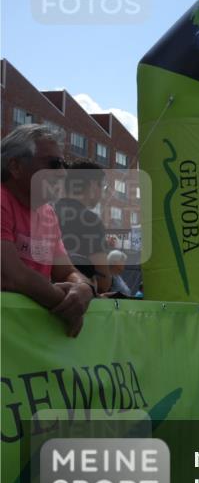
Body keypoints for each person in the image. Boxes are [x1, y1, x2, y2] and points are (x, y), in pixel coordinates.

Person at [1, 124, 95, 336]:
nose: (62, 173)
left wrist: (84, 289)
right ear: (15, 166)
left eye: (64, 164)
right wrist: (69, 305)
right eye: (53, 164)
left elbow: (67, 271)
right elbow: (12, 276)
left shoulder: (48, 214)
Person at [53, 160, 111, 293]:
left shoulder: (46, 212)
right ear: (92, 186)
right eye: (102, 187)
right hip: (76, 301)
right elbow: (103, 283)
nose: (102, 194)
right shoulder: (91, 221)